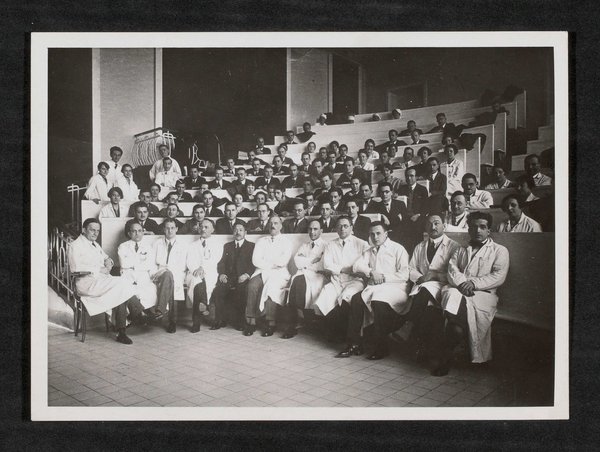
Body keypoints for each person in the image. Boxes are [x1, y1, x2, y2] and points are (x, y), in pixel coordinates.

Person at [436, 211, 510, 375]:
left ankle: (445, 356)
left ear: (489, 230)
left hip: (482, 294)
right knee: (452, 296)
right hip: (458, 289)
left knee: (455, 322)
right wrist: (463, 284)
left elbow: (498, 275)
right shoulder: (461, 250)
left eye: (482, 227)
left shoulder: (499, 250)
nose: (478, 230)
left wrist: (473, 284)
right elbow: (452, 269)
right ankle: (451, 347)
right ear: (469, 229)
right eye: (474, 227)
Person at [336, 221, 410, 359]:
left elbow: (404, 275)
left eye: (378, 233)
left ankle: (382, 347)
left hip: (395, 288)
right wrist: (371, 272)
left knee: (378, 302)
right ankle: (354, 344)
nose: (375, 237)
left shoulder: (398, 249)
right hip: (376, 288)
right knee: (356, 299)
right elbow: (357, 266)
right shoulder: (370, 251)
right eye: (372, 234)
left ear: (386, 234)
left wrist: (383, 277)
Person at [68, 218, 147, 344]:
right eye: (92, 230)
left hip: (100, 281)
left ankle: (122, 331)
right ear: (84, 230)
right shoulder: (75, 246)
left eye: (97, 231)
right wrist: (99, 269)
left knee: (120, 288)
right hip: (86, 283)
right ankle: (137, 313)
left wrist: (109, 261)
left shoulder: (94, 244)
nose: (95, 233)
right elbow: (75, 268)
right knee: (121, 284)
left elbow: (106, 257)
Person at [406, 213, 461, 370]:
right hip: (423, 284)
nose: (433, 226)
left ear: (444, 225)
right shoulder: (420, 246)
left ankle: (413, 335)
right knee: (430, 311)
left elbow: (454, 272)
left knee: (424, 294)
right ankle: (427, 349)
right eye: (429, 224)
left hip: (442, 285)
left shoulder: (454, 246)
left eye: (437, 223)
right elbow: (410, 268)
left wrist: (435, 276)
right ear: (425, 227)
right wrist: (421, 277)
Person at [314, 216, 370, 341]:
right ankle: (336, 332)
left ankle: (347, 335)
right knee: (325, 296)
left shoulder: (362, 243)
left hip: (355, 281)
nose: (342, 229)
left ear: (351, 227)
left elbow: (363, 264)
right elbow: (327, 265)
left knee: (346, 299)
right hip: (337, 280)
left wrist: (354, 270)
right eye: (339, 226)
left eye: (345, 226)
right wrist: (347, 269)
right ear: (336, 228)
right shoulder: (330, 244)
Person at [244, 215, 294, 337]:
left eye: (276, 223)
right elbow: (255, 260)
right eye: (271, 223)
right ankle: (251, 321)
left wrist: (267, 262)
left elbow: (283, 262)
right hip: (262, 271)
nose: (273, 225)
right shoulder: (261, 241)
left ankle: (270, 322)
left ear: (281, 226)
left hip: (279, 274)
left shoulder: (286, 242)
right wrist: (272, 264)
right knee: (252, 285)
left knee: (271, 287)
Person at [282, 220, 327, 339]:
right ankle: (292, 325)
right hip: (303, 273)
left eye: (315, 229)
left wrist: (305, 262)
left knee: (303, 287)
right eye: (310, 229)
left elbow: (322, 265)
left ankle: (309, 321)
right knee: (296, 282)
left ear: (321, 231)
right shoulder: (304, 245)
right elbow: (297, 262)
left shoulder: (326, 246)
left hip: (318, 276)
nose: (312, 232)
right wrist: (312, 260)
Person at [119, 221, 174, 315]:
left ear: (142, 232)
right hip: (128, 276)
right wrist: (141, 264)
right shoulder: (123, 246)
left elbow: (150, 264)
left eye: (140, 231)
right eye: (134, 231)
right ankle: (139, 315)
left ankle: (152, 313)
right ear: (129, 233)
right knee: (128, 291)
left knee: (150, 290)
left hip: (144, 276)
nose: (137, 233)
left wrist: (133, 264)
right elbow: (124, 263)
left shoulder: (148, 247)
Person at [212, 222, 256, 331]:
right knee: (219, 290)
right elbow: (221, 262)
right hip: (229, 277)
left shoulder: (251, 246)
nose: (238, 232)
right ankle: (219, 320)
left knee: (241, 291)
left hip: (243, 278)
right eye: (236, 230)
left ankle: (240, 321)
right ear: (233, 232)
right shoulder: (227, 246)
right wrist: (222, 274)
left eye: (241, 230)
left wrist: (246, 275)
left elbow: (253, 264)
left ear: (245, 232)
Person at [185, 219, 223, 333]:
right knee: (196, 281)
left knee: (200, 285)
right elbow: (189, 261)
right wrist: (195, 270)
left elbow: (215, 259)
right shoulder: (192, 245)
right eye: (201, 226)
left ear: (213, 229)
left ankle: (196, 322)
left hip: (210, 272)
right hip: (194, 273)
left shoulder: (217, 244)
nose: (203, 229)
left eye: (206, 227)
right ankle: (204, 305)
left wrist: (202, 268)